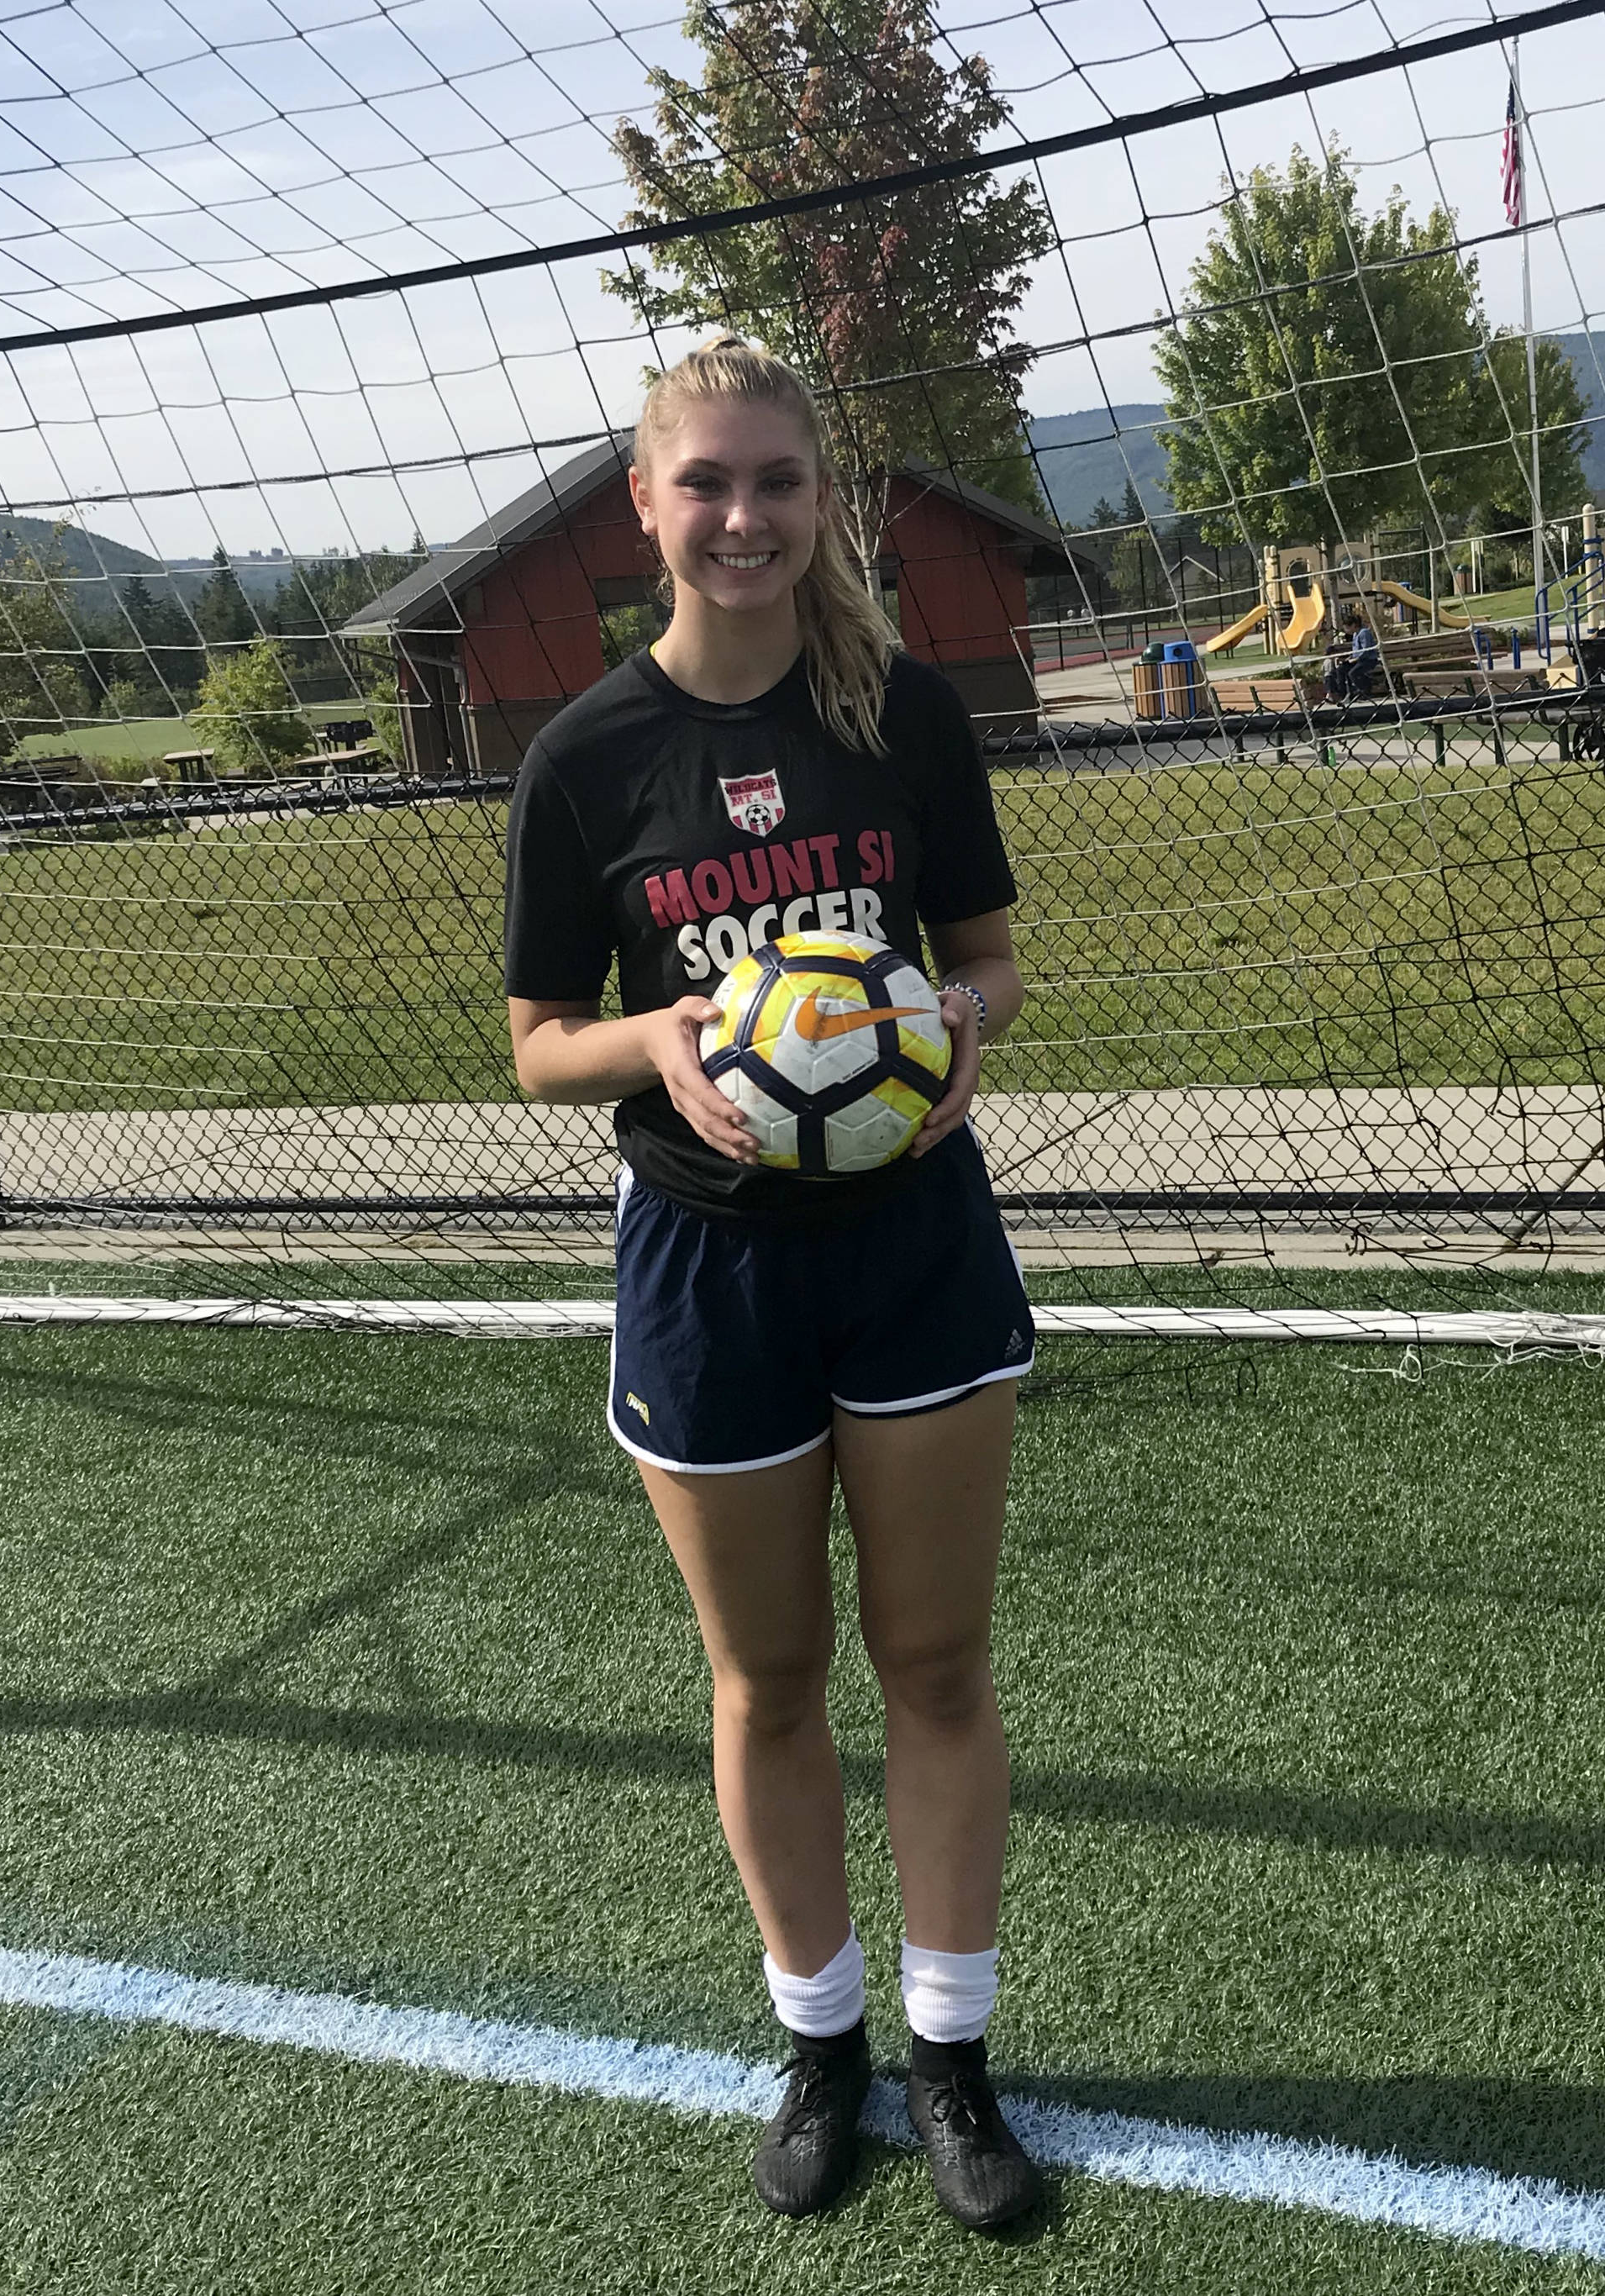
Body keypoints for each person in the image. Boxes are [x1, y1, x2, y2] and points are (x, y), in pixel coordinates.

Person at [502, 334, 1043, 2231]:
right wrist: (663, 1042)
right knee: (770, 1673)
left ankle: (951, 2059)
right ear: (645, 508)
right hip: (704, 1270)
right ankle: (818, 2042)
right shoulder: (583, 759)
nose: (744, 517)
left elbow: (982, 959)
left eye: (778, 484)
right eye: (706, 484)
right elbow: (536, 1042)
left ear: (825, 507)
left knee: (939, 1662)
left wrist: (946, 1027)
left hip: (913, 1248)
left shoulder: (901, 712)